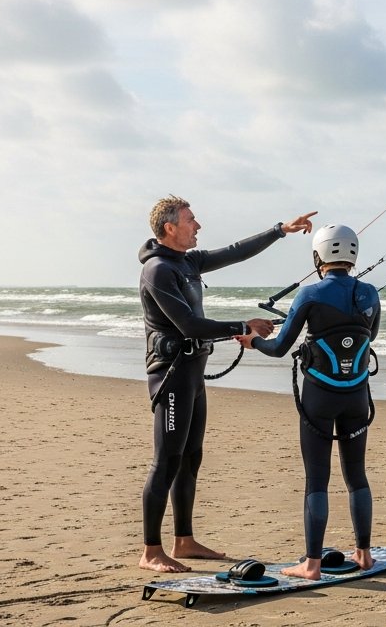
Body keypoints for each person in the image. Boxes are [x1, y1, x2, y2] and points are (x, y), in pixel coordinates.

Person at [137, 195, 317, 574]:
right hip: (170, 374)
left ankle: (183, 540)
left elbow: (235, 252)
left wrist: (279, 230)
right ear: (170, 228)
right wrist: (242, 327)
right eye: (191, 220)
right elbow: (187, 324)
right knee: (166, 460)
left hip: (192, 372)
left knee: (191, 457)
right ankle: (151, 550)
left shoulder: (187, 262)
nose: (197, 225)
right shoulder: (158, 270)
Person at [236, 223, 381, 580]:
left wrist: (251, 341)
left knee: (317, 478)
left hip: (320, 396)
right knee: (356, 475)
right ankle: (363, 553)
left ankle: (312, 563)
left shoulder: (309, 294)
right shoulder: (371, 293)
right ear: (353, 256)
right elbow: (369, 335)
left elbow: (279, 348)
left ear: (318, 256)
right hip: (357, 395)